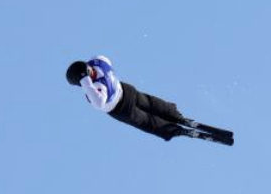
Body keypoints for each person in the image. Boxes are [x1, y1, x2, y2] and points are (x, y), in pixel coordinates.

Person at [65, 56, 233, 145]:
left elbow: (99, 103)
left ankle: (175, 128)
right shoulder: (98, 62)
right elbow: (105, 59)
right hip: (127, 90)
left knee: (149, 122)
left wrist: (86, 83)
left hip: (122, 108)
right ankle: (176, 116)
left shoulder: (95, 89)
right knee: (152, 104)